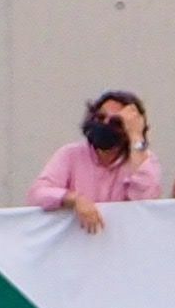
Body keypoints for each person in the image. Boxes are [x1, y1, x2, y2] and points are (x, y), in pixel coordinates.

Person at [35, 90, 160, 230]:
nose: (105, 124)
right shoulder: (70, 155)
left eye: (116, 122)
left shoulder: (143, 160)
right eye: (101, 117)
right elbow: (38, 194)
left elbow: (144, 202)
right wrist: (75, 200)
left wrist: (136, 136)